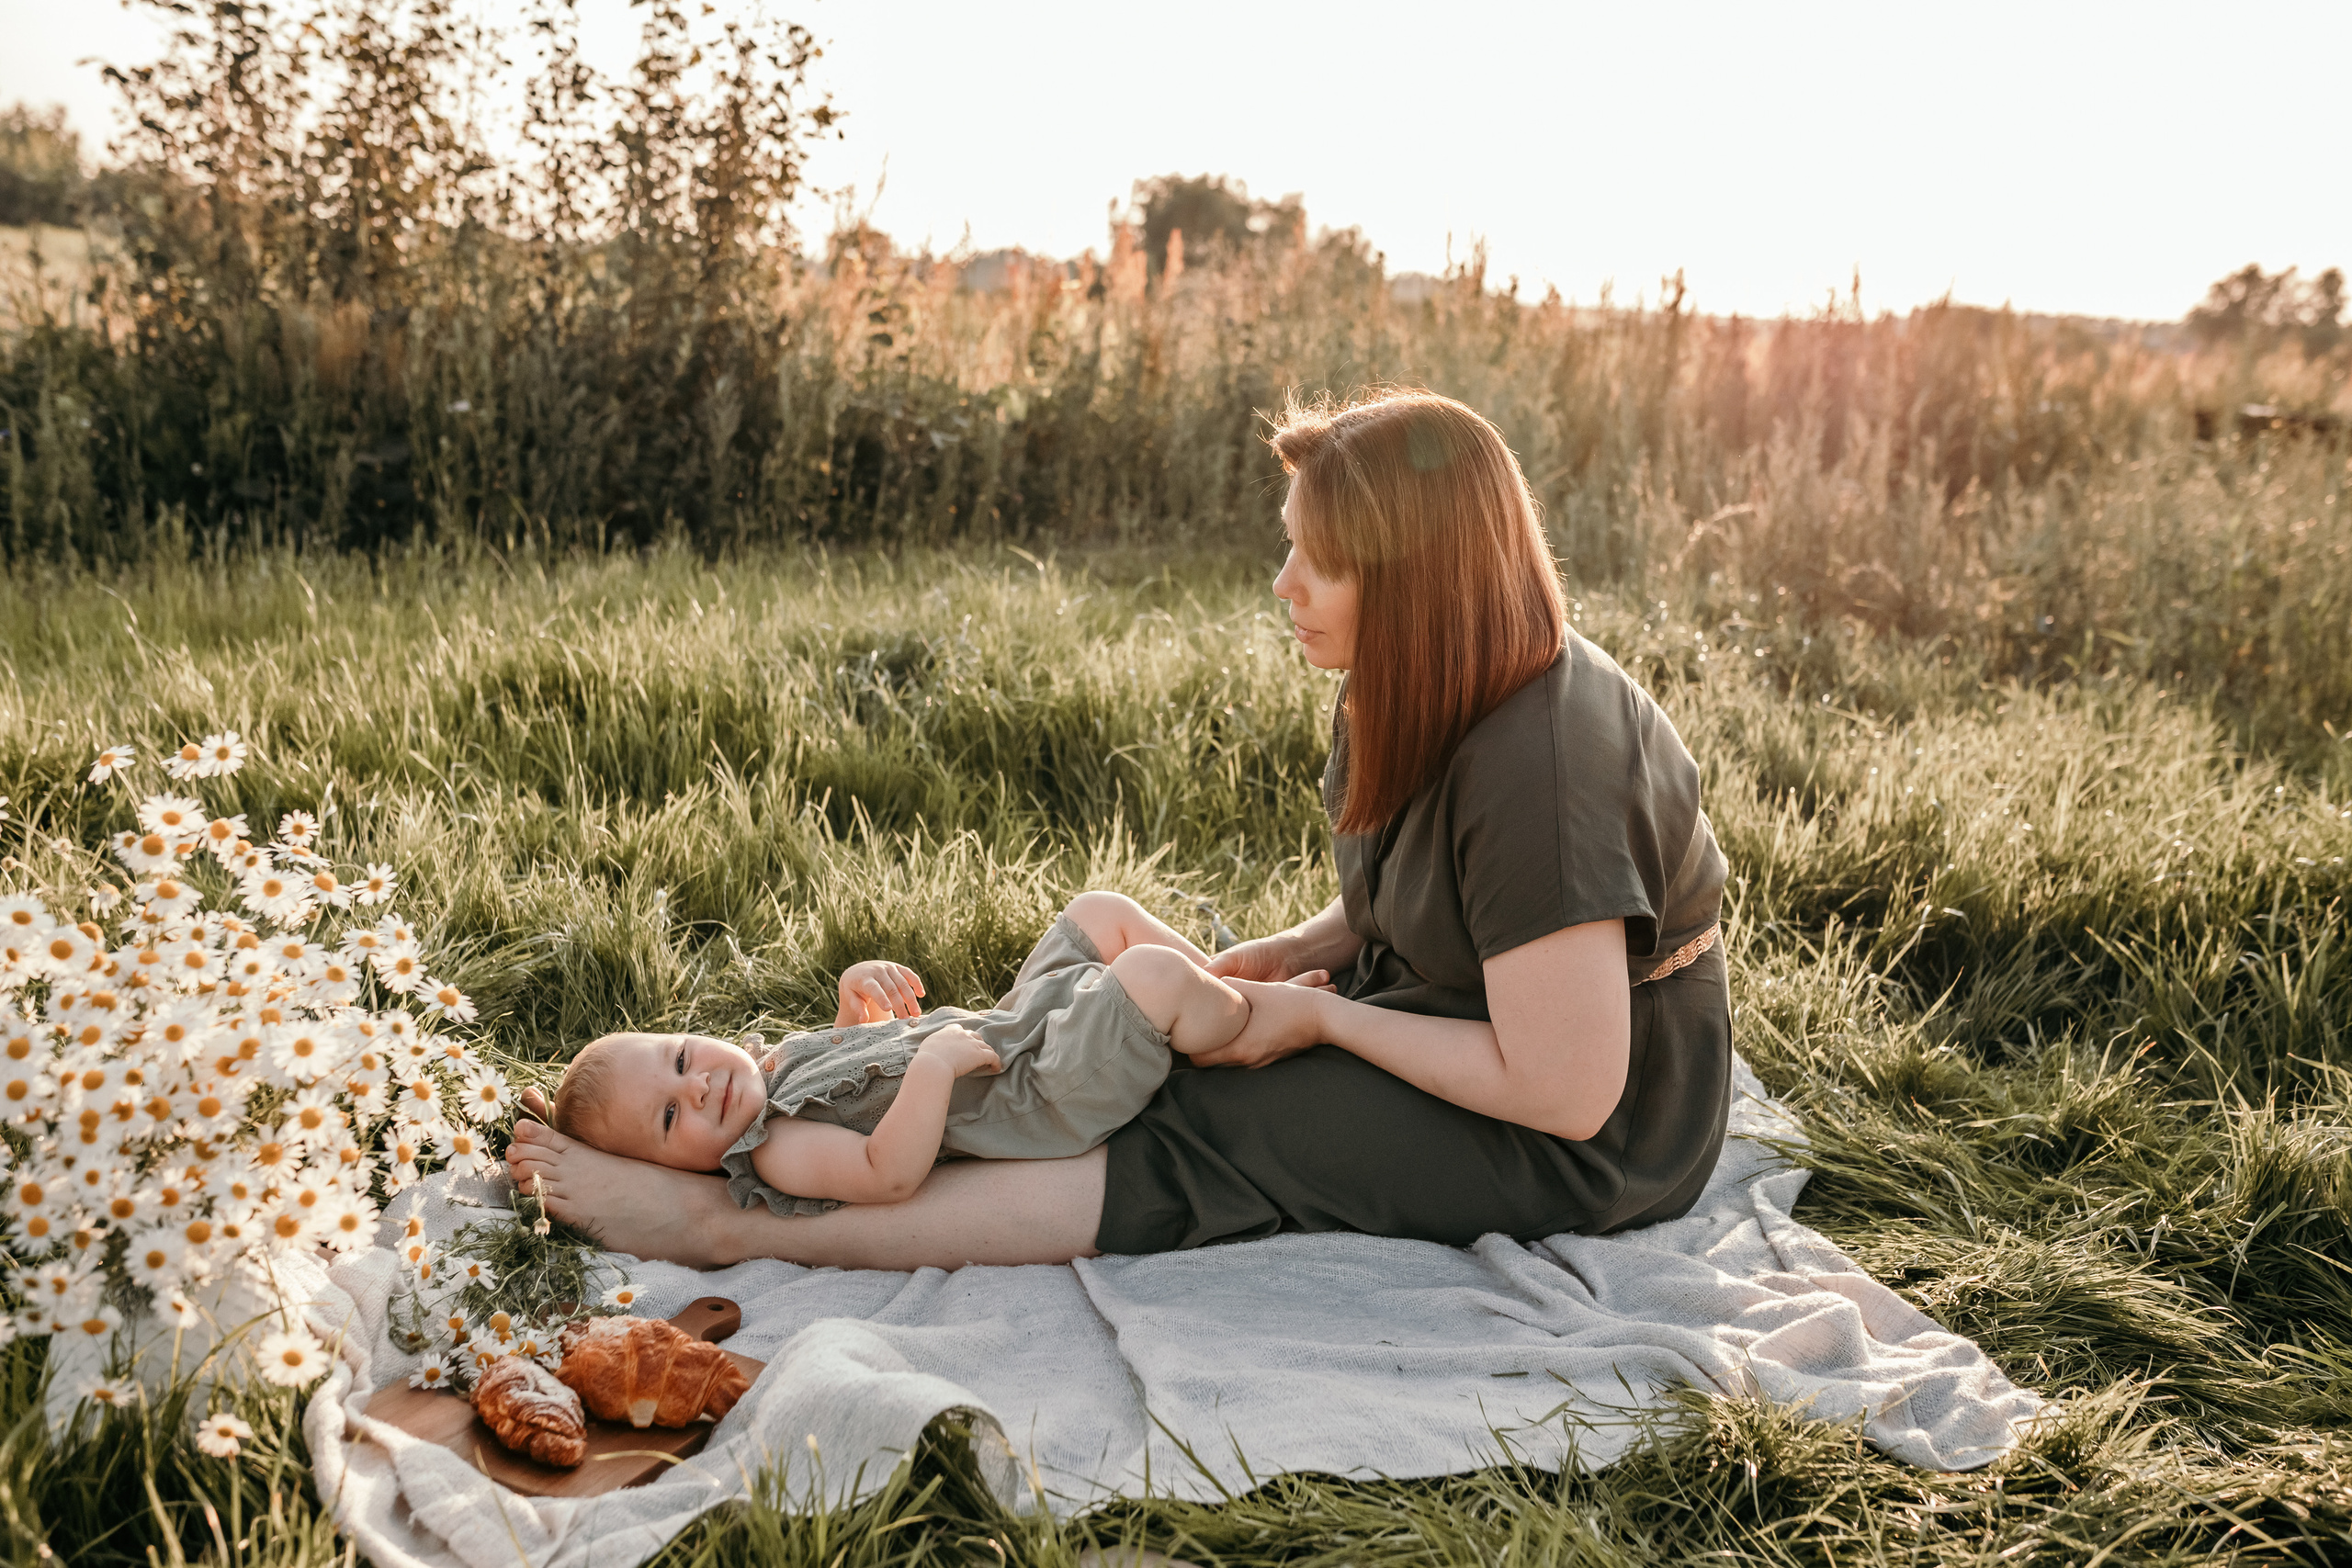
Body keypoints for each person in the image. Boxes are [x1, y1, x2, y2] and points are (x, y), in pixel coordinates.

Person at [506, 389, 1732, 1269]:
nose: (1283, 585)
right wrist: (1292, 952)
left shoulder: (1545, 763)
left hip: (1590, 1134)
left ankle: (729, 1224)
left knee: (1215, 1118)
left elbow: (1570, 1090)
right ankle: (870, 1153)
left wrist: (1322, 1012)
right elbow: (1421, 886)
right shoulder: (1416, 676)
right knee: (1161, 1041)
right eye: (1288, 547)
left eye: (1318, 562)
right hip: (1457, 1014)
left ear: (1419, 586)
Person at [537, 893, 1297, 1211]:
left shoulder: (775, 1073)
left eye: (679, 1060)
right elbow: (885, 1171)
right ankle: (1259, 1022)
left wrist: (852, 997)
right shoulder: (775, 1153)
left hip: (1011, 1026)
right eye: (671, 1118)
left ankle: (1227, 983)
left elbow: (850, 1065)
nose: (699, 1087)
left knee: (1098, 912)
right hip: (1037, 1092)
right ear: (682, 1168)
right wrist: (932, 1066)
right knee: (1147, 977)